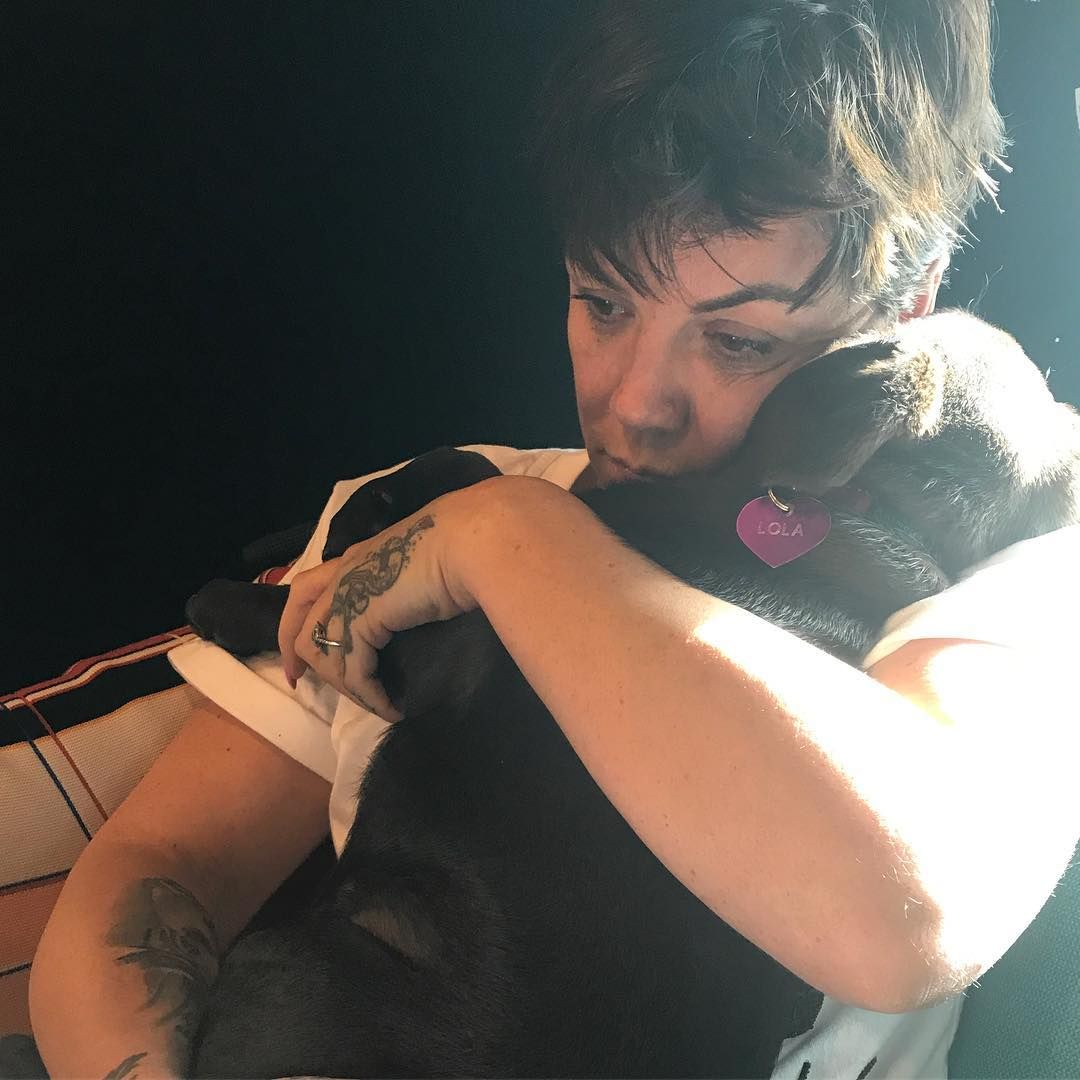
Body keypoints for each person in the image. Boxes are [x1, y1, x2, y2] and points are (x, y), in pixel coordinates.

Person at [29, 1, 1080, 1076]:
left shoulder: (1010, 581)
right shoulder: (415, 514)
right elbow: (162, 869)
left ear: (906, 312)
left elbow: (906, 920)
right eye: (605, 303)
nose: (634, 405)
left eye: (738, 342)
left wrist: (507, 542)